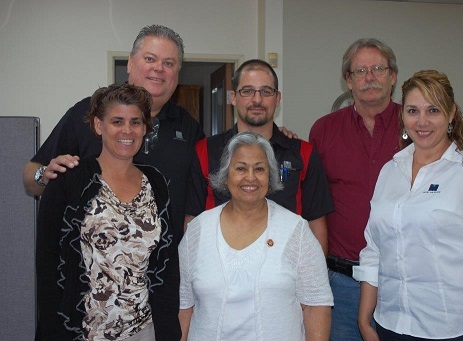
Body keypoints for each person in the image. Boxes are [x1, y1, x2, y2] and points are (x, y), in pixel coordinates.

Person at [353, 70, 463, 340]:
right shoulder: (390, 170)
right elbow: (375, 248)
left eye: (433, 110)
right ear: (402, 116)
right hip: (390, 324)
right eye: (413, 111)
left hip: (455, 329)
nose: (422, 121)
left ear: (451, 115)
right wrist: (365, 320)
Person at [23, 24, 204, 242]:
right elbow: (31, 173)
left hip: (160, 266)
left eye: (168, 63)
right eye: (150, 59)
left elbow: (193, 209)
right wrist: (42, 177)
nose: (158, 68)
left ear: (177, 73)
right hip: (90, 263)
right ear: (130, 63)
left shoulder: (189, 128)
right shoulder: (89, 112)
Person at [36, 84, 180, 340]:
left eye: (135, 122)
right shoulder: (69, 180)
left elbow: (167, 267)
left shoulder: (156, 182)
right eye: (117, 121)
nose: (127, 130)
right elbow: (48, 265)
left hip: (143, 330)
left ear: (145, 128)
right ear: (98, 125)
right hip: (82, 331)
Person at [178, 131, 333, 340]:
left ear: (270, 177)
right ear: (226, 175)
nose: (250, 177)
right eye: (240, 168)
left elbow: (316, 306)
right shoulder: (198, 230)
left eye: (259, 169)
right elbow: (184, 307)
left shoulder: (295, 230)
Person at [186, 59, 333, 254]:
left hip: (285, 273)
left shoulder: (303, 153)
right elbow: (192, 219)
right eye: (247, 91)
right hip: (220, 269)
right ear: (233, 97)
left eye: (266, 91)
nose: (257, 100)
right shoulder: (205, 150)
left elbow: (316, 223)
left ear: (277, 98)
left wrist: (315, 276)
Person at [309, 38, 400, 339]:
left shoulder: (416, 127)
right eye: (360, 71)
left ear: (393, 76)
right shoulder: (323, 131)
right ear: (348, 81)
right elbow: (312, 201)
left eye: (377, 68)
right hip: (342, 284)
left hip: (402, 281)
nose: (369, 77)